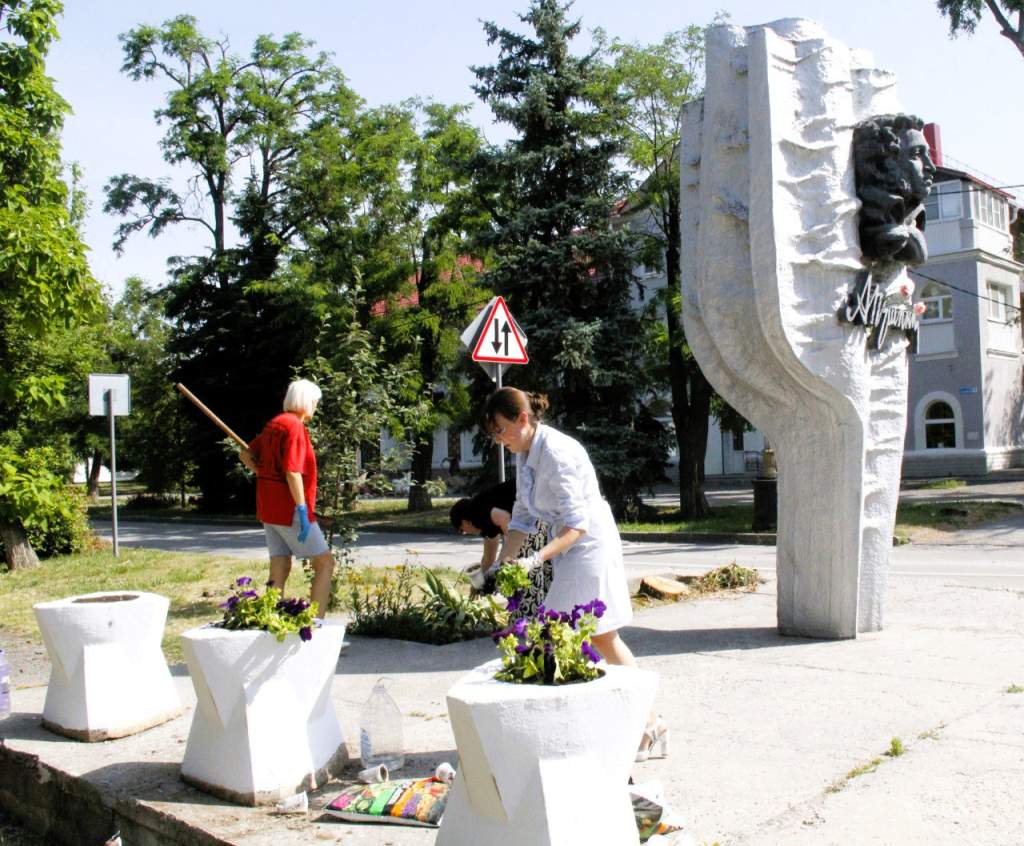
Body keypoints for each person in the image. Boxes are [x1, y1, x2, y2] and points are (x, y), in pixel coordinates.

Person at [484, 386, 668, 761]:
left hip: (588, 546)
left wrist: (533, 562)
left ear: (522, 419)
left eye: (500, 430)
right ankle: (642, 723)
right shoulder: (526, 452)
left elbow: (577, 526)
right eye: (493, 434)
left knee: (586, 635)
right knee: (586, 637)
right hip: (568, 548)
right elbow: (522, 515)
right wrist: (505, 563)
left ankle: (645, 724)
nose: (498, 440)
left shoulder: (557, 452)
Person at [239, 379, 334, 619]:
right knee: (325, 563)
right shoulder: (295, 428)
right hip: (290, 509)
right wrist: (302, 509)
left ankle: (270, 620)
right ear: (306, 401)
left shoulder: (275, 423)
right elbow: (293, 471)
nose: (315, 406)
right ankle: (316, 626)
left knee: (280, 565)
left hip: (269, 509)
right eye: (315, 401)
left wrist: (263, 474)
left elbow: (245, 454)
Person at [449, 480, 552, 617]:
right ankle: (537, 613)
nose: (465, 533)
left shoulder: (477, 511)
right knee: (526, 570)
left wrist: (510, 552)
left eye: (462, 530)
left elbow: (505, 518)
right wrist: (477, 584)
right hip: (532, 515)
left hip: (532, 514)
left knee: (527, 571)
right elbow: (488, 557)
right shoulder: (482, 523)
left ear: (464, 521)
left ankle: (530, 617)